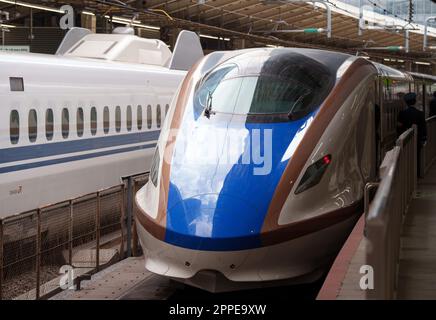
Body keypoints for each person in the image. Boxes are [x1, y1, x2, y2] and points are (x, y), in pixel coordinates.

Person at [397, 92, 427, 176]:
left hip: (405, 141)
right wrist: (424, 138)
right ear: (415, 101)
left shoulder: (402, 113)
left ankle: (407, 174)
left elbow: (398, 127)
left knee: (406, 158)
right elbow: (423, 127)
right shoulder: (420, 114)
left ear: (406, 102)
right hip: (417, 139)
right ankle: (416, 173)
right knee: (416, 156)